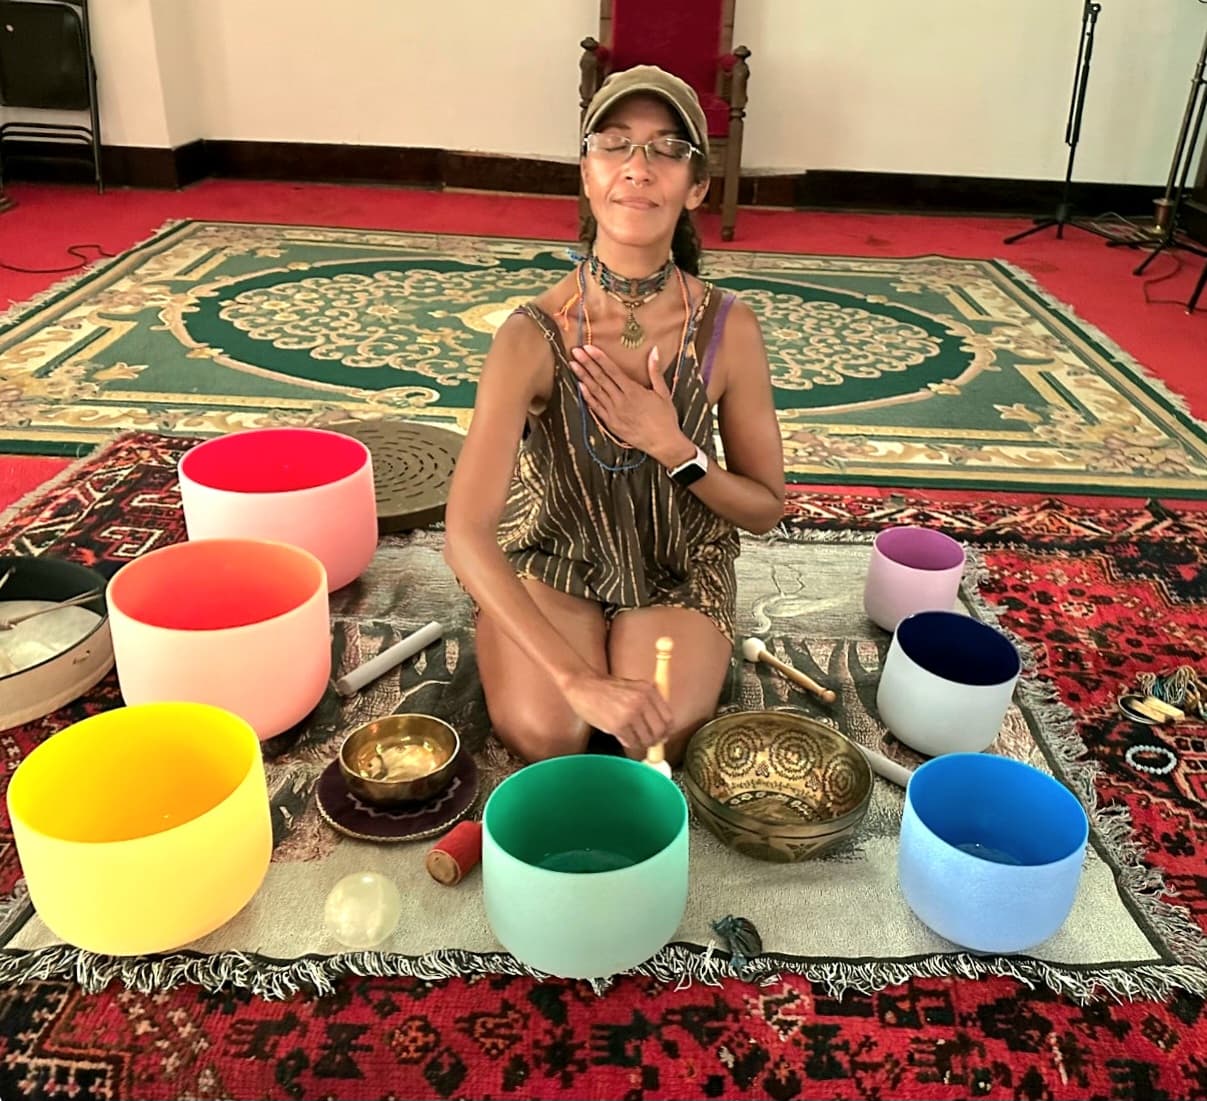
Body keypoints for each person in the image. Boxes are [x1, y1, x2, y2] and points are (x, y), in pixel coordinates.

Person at [444, 65, 784, 765]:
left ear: (696, 187)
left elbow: (762, 509)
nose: (637, 165)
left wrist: (674, 447)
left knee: (652, 737)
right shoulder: (530, 333)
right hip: (554, 554)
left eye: (665, 148)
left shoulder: (728, 327)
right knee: (549, 734)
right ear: (587, 172)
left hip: (678, 563)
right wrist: (574, 677)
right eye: (614, 143)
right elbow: (465, 533)